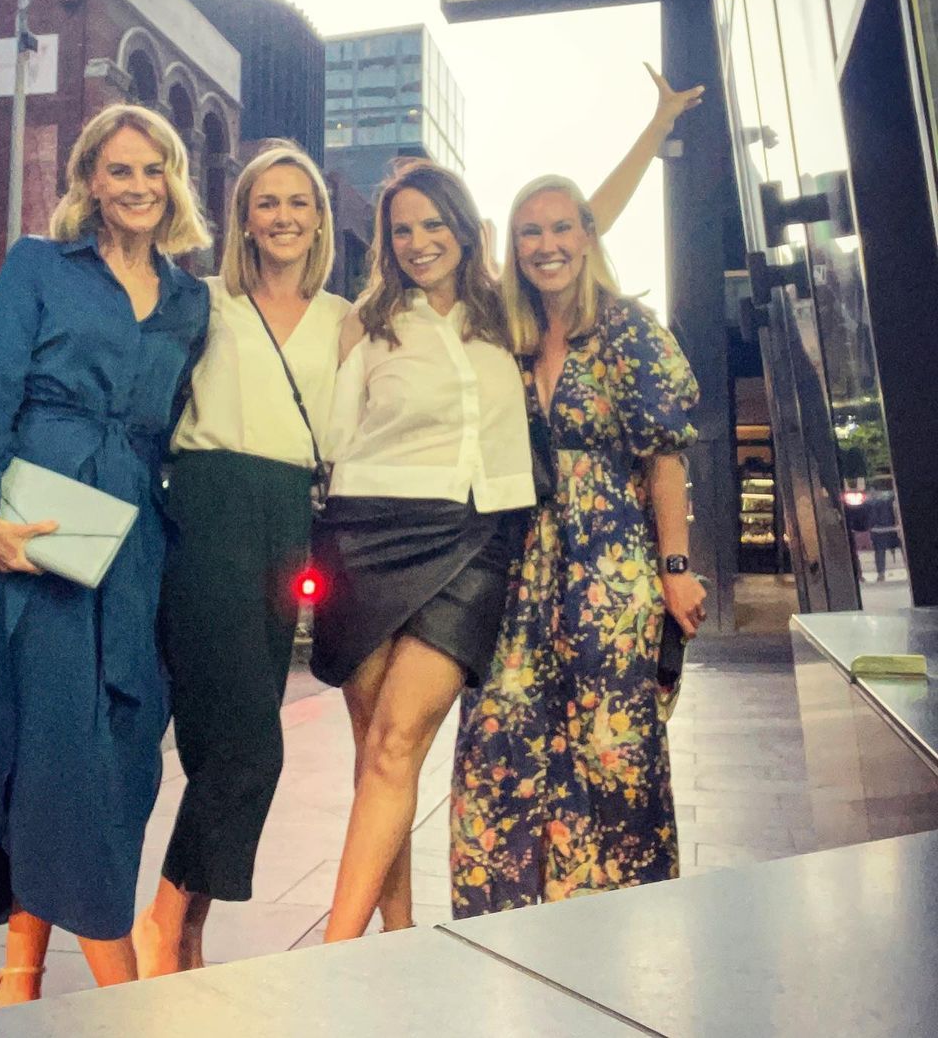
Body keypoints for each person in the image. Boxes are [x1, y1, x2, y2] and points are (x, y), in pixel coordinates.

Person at [309, 65, 702, 942]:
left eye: (435, 224)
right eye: (403, 230)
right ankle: (425, 934)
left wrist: (655, 129)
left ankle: (341, 952)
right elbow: (327, 436)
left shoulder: (539, 317)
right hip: (440, 550)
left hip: (537, 553)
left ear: (467, 230)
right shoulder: (435, 321)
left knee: (443, 744)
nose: (419, 242)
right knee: (426, 753)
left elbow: (577, 224)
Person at [0, 105, 211, 1006]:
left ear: (173, 182)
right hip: (39, 530)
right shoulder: (38, 266)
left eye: (154, 170)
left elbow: (175, 427)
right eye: (120, 170)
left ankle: (19, 979)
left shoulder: (190, 300)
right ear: (90, 179)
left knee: (123, 747)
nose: (138, 186)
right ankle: (125, 1001)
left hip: (134, 538)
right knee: (62, 750)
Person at [450, 172, 704, 916]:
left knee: (611, 745)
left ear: (588, 237)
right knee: (500, 735)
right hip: (517, 565)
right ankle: (505, 921)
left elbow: (665, 459)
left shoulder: (628, 330)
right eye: (530, 232)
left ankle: (622, 922)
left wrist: (676, 569)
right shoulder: (509, 335)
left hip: (611, 565)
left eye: (562, 227)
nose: (547, 245)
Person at [133, 143, 349, 977]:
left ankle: (186, 929)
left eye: (299, 202)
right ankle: (164, 921)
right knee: (252, 744)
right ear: (245, 219)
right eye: (268, 202)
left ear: (319, 219)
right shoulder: (205, 302)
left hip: (290, 513)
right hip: (210, 503)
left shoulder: (345, 318)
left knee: (231, 736)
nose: (284, 216)